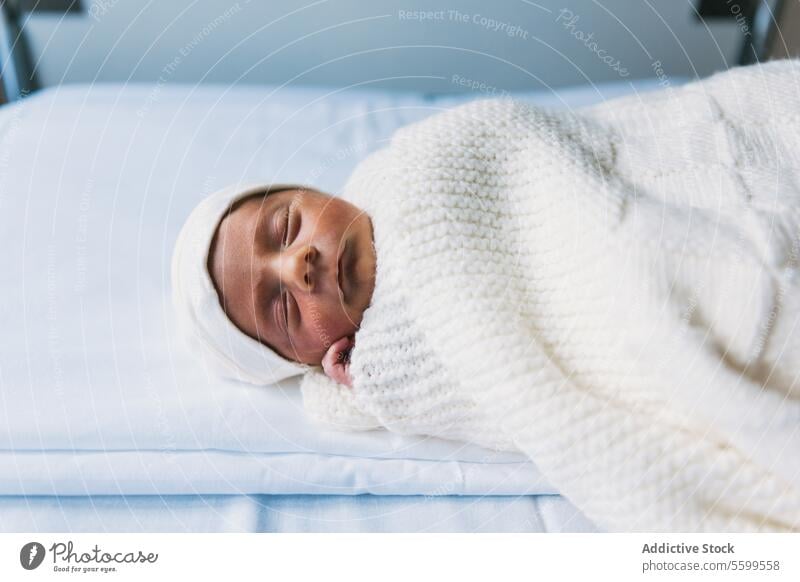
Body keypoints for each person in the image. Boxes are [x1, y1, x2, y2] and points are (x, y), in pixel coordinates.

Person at [172, 58, 800, 532]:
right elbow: (492, 383)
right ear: (306, 358)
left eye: (284, 228)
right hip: (637, 298)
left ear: (313, 190)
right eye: (281, 308)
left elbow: (522, 139)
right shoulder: (371, 371)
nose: (300, 263)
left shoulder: (405, 167)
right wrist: (373, 375)